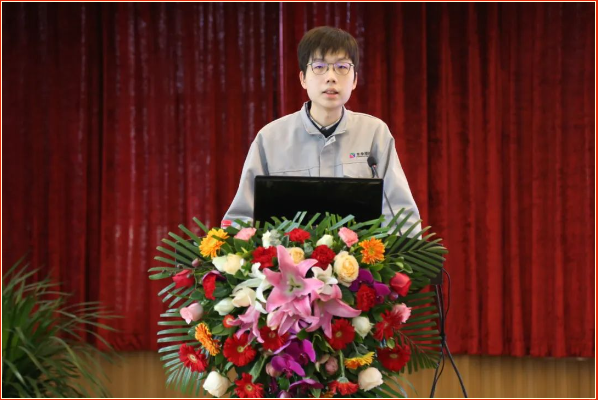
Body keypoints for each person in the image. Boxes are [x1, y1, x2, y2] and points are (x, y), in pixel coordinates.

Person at [223, 26, 421, 233]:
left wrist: (405, 249)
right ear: (303, 78)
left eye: (342, 67)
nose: (331, 77)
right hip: (286, 254)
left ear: (354, 80)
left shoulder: (374, 133)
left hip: (359, 254)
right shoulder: (270, 138)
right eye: (319, 66)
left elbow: (400, 215)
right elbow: (241, 219)